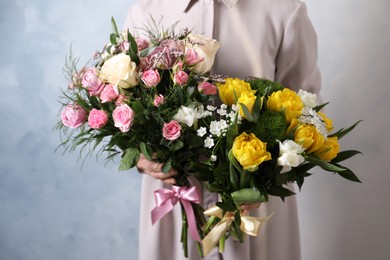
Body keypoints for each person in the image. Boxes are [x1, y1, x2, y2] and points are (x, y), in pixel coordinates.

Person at [125, 0, 321, 259]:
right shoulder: (147, 10)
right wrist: (141, 157)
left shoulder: (284, 9)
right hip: (175, 202)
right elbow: (124, 105)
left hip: (254, 210)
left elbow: (306, 111)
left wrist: (269, 176)